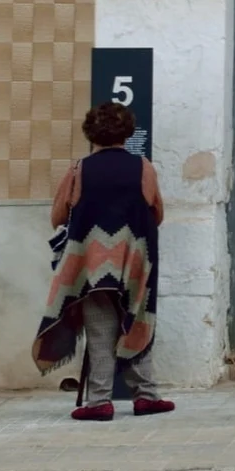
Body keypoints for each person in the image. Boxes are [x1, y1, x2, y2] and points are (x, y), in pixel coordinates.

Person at [32, 102, 175, 420]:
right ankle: (146, 396)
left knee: (100, 329)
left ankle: (99, 402)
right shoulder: (144, 168)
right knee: (135, 321)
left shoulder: (78, 170)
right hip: (134, 264)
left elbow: (57, 217)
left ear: (91, 133)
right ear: (127, 133)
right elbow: (157, 213)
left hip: (90, 268)